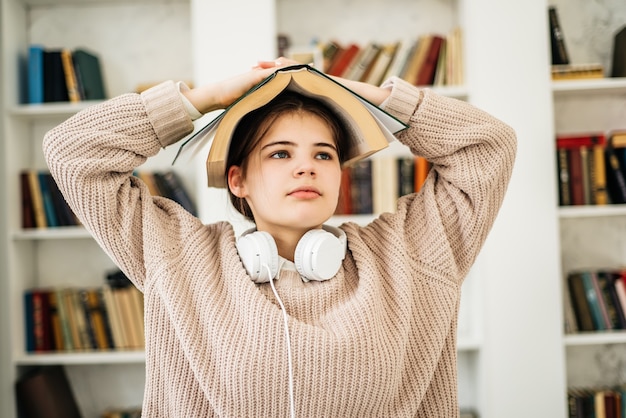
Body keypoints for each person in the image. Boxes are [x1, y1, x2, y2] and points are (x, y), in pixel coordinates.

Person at [43, 57, 517, 417]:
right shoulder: (180, 258)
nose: (305, 166)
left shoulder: (412, 252)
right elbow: (73, 153)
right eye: (279, 154)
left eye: (324, 155)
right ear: (238, 181)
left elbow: (487, 147)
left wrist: (358, 94)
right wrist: (205, 97)